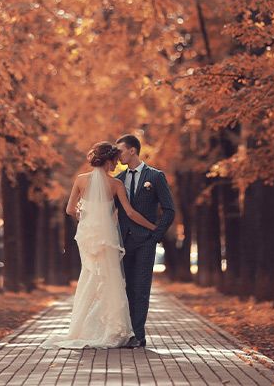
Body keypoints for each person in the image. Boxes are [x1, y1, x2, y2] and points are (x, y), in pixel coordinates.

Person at [41, 141, 157, 349]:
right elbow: (130, 213)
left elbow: (69, 210)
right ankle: (112, 328)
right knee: (111, 278)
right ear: (109, 160)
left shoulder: (81, 180)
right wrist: (152, 226)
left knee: (89, 277)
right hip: (107, 237)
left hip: (87, 236)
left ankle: (81, 328)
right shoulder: (116, 185)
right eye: (115, 161)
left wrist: (87, 218)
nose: (116, 165)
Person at [114, 133, 175, 348]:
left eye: (120, 150)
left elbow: (169, 210)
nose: (117, 155)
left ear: (132, 150)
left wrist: (156, 236)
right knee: (123, 288)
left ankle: (138, 336)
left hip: (145, 243)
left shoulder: (156, 176)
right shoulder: (118, 180)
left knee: (140, 288)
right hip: (122, 242)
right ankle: (127, 331)